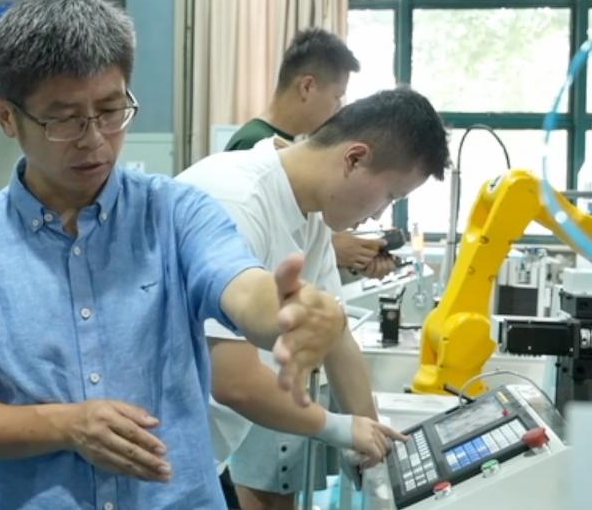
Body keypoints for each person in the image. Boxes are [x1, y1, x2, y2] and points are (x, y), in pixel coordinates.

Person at [0, 0, 347, 510]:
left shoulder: (176, 213)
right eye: (64, 118)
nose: (94, 138)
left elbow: (237, 283)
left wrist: (283, 311)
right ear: (7, 117)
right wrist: (66, 425)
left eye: (111, 109)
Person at [179, 88, 450, 510]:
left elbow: (337, 335)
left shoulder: (311, 217)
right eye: (390, 196)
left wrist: (372, 436)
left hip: (199, 457)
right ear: (354, 158)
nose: (380, 215)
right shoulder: (236, 199)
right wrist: (341, 428)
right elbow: (232, 380)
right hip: (147, 458)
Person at [225, 28, 395, 279]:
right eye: (337, 97)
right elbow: (257, 244)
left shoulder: (291, 148)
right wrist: (332, 248)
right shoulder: (255, 145)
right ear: (307, 87)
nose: (339, 109)